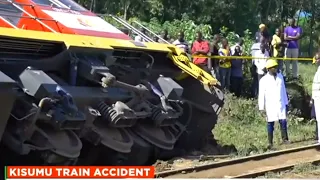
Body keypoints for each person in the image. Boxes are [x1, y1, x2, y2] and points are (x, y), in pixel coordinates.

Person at [259, 60, 289, 149]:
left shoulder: (280, 77)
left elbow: (283, 90)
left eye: (276, 67)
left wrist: (286, 102)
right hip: (270, 105)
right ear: (269, 69)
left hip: (281, 103)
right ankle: (270, 142)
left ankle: (285, 139)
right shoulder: (263, 80)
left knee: (283, 121)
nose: (275, 69)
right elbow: (261, 95)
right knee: (270, 123)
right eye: (273, 67)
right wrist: (261, 107)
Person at [311, 52, 320, 144]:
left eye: (317, 59)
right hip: (316, 97)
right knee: (318, 118)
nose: (316, 61)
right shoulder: (318, 70)